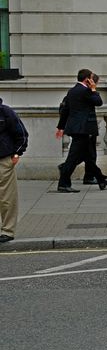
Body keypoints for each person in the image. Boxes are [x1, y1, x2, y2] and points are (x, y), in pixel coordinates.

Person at [56, 68, 107, 192]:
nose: (93, 80)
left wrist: (61, 127)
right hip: (84, 129)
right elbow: (98, 102)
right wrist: (93, 89)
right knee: (73, 157)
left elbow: (66, 110)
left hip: (76, 128)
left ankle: (101, 179)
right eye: (92, 78)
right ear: (87, 79)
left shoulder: (72, 91)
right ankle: (63, 183)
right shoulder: (85, 91)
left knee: (89, 156)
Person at [0, 98, 28, 242]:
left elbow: (22, 134)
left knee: (6, 198)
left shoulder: (5, 112)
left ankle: (7, 231)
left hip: (3, 160)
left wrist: (17, 154)